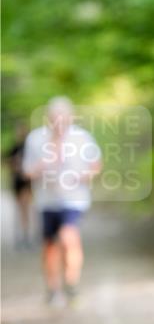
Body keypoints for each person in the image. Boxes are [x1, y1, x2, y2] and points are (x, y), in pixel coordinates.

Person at [22, 96, 102, 306]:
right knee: (49, 245)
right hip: (47, 200)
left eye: (63, 117)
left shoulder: (82, 138)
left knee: (69, 236)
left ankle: (71, 282)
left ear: (71, 117)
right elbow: (27, 172)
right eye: (55, 117)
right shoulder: (35, 139)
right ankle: (52, 287)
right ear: (48, 118)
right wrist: (41, 166)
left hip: (74, 199)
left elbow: (96, 165)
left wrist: (82, 176)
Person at [3, 121, 33, 248]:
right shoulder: (14, 147)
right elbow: (5, 161)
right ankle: (21, 235)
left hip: (27, 182)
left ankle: (26, 235)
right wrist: (14, 163)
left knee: (25, 208)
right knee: (19, 209)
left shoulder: (30, 147)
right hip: (17, 181)